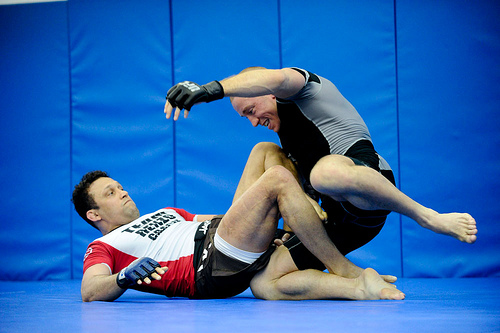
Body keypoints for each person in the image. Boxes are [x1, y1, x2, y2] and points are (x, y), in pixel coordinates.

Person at [164, 67, 477, 262]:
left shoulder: (302, 88)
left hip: (364, 193)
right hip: (331, 218)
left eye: (250, 110)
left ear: (269, 94)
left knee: (324, 172)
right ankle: (355, 280)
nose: (252, 121)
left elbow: (276, 76)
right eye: (244, 116)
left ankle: (426, 216)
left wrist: (209, 90)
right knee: (266, 283)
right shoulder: (281, 127)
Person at [72, 168, 405, 302]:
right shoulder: (102, 246)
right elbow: (89, 290)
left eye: (120, 186)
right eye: (111, 193)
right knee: (275, 179)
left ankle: (360, 287)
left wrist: (264, 226)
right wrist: (122, 279)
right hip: (208, 266)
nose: (123, 192)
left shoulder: (167, 212)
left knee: (267, 286)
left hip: (225, 241)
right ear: (94, 214)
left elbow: (222, 218)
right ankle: (341, 264)